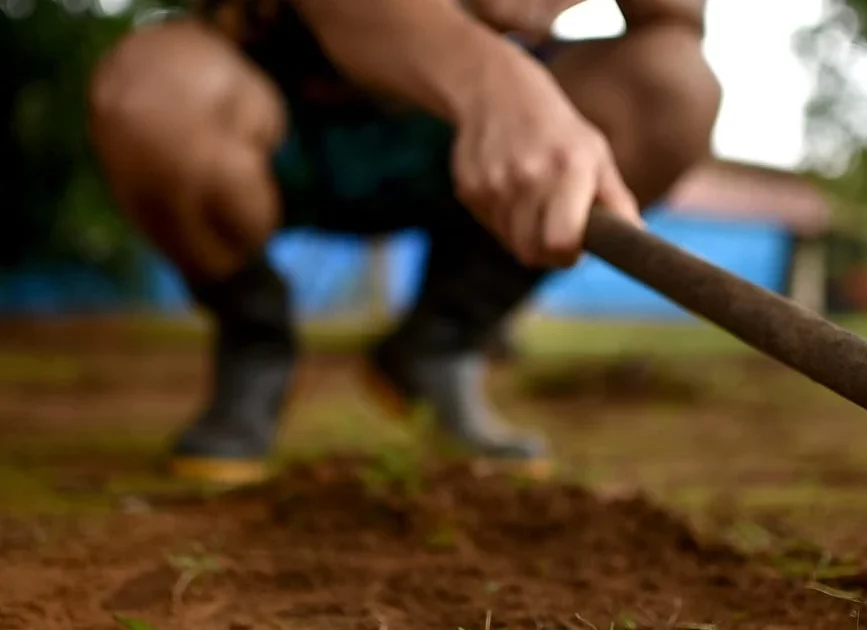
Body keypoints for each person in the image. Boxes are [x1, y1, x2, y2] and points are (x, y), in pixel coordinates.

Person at [86, 0, 721, 485]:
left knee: (672, 85)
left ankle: (438, 345)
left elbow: (675, 21)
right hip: (282, 111)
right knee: (153, 90)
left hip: (462, 146)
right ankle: (256, 343)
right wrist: (494, 85)